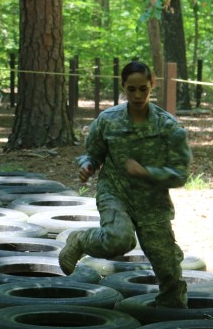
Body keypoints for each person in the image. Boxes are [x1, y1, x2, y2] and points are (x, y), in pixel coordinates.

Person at [58, 60, 192, 308]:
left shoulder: (168, 126)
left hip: (152, 201)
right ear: (123, 87)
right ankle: (79, 240)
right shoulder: (109, 120)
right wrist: (87, 165)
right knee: (119, 239)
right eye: (132, 89)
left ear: (152, 85)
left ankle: (171, 312)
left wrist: (147, 172)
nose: (138, 95)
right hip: (115, 192)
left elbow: (180, 173)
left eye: (143, 88)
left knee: (167, 263)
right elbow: (93, 153)